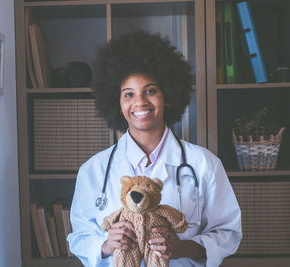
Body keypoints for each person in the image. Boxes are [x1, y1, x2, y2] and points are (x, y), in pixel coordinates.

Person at [67, 30, 242, 267]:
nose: (140, 102)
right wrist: (106, 245)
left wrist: (183, 248)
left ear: (167, 96)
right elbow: (78, 237)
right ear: (117, 103)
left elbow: (228, 233)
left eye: (150, 91)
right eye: (128, 94)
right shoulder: (93, 170)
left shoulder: (204, 164)